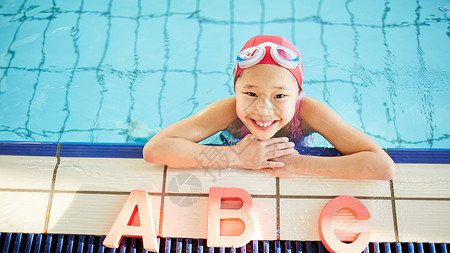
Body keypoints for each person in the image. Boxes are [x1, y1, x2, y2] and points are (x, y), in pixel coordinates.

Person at [143, 35, 395, 180]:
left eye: (280, 96)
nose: (263, 110)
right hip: (235, 145)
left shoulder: (309, 113)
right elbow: (155, 149)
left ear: (298, 93)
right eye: (250, 93)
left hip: (298, 153)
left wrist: (301, 165)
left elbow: (382, 166)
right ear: (235, 89)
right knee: (148, 133)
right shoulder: (227, 112)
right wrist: (237, 158)